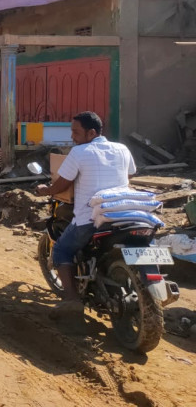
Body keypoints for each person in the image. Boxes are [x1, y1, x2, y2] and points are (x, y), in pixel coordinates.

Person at [36, 111, 136, 318]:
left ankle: (72, 299)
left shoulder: (79, 152)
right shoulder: (122, 148)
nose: (72, 137)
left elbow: (63, 184)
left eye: (76, 132)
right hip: (127, 215)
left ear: (91, 133)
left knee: (61, 250)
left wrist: (46, 190)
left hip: (90, 219)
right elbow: (129, 175)